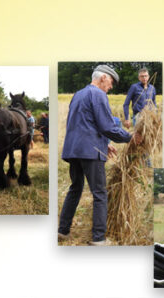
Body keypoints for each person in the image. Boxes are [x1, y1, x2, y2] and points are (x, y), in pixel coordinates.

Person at [58, 65, 142, 245]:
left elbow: (84, 124)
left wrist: (106, 143)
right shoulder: (98, 94)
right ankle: (99, 239)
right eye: (111, 82)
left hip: (74, 150)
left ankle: (63, 231)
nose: (110, 87)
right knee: (99, 193)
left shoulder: (78, 94)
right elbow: (106, 126)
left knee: (75, 188)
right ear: (103, 77)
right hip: (90, 152)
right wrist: (129, 137)